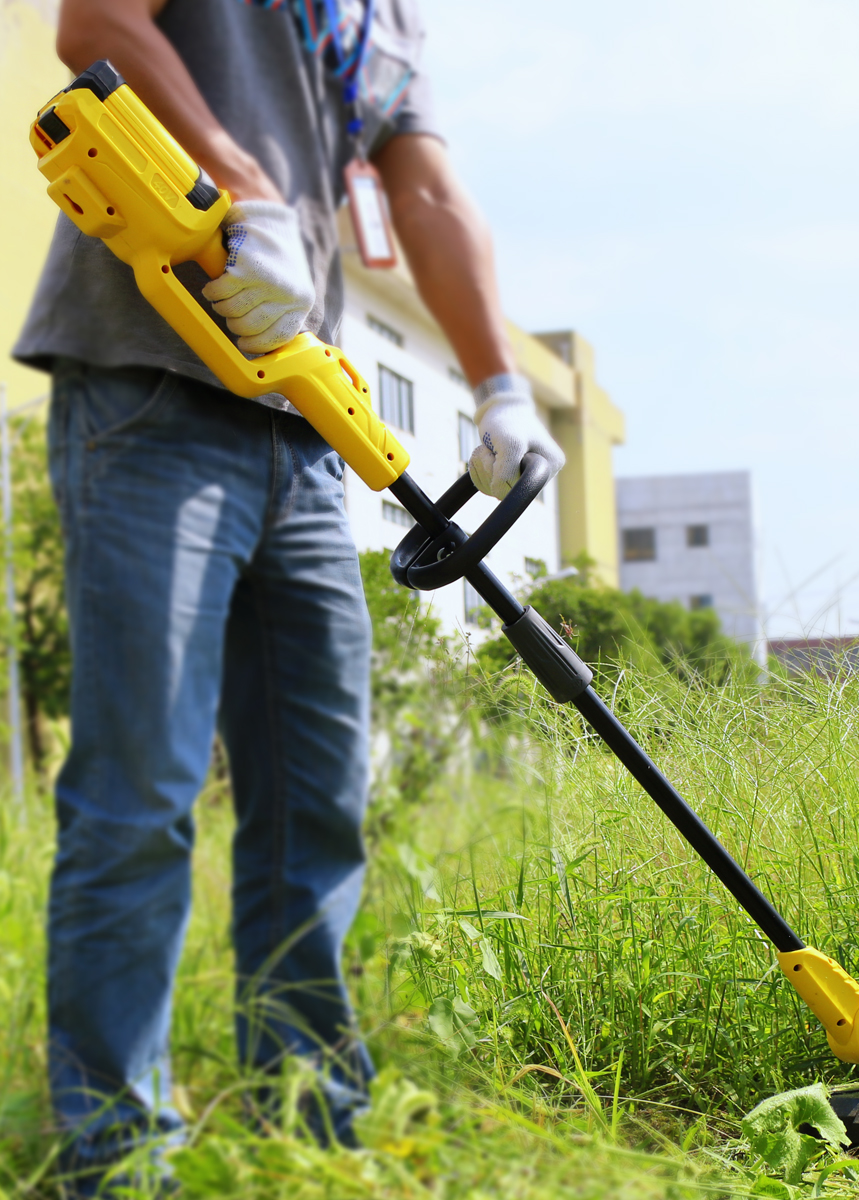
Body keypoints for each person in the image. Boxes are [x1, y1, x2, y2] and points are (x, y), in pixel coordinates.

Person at [12, 0, 565, 1190]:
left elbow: (423, 191)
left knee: (315, 801)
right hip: (147, 380)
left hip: (305, 423)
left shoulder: (382, 21)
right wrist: (238, 187)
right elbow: (93, 22)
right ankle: (114, 1161)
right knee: (140, 792)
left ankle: (306, 1132)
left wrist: (500, 385)